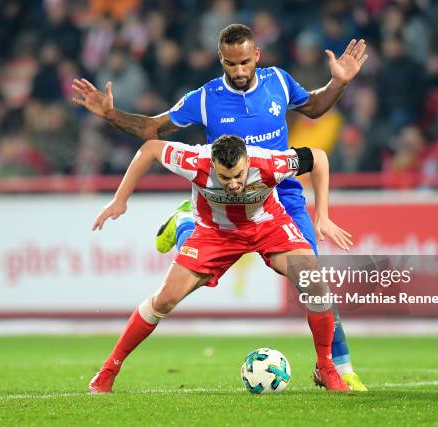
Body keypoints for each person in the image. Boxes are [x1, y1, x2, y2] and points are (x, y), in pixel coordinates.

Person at [72, 24, 368, 390]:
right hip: (221, 207)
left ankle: (336, 367)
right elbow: (152, 133)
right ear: (221, 60)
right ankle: (185, 226)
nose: (240, 71)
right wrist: (111, 116)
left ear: (257, 56)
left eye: (245, 62)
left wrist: (338, 83)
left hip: (276, 196)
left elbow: (317, 117)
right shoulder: (204, 99)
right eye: (231, 64)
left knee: (313, 280)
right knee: (165, 299)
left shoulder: (278, 82)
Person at [88, 134, 353, 393]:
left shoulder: (271, 162)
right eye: (225, 178)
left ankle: (325, 366)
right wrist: (119, 199)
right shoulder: (194, 161)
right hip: (215, 233)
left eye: (239, 175)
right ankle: (109, 369)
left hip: (266, 225)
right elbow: (150, 148)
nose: (234, 184)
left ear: (247, 161)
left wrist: (323, 216)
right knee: (165, 300)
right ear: (213, 164)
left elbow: (318, 158)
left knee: (315, 284)